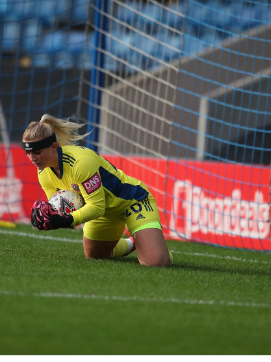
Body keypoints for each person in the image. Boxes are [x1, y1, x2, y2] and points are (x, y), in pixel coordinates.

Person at [23, 114, 172, 267]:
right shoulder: (43, 172)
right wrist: (50, 216)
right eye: (28, 153)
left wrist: (65, 220)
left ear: (54, 146)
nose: (32, 158)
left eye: (37, 152)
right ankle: (134, 243)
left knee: (156, 262)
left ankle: (154, 247)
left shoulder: (80, 163)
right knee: (96, 256)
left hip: (131, 201)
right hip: (102, 211)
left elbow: (96, 207)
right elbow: (64, 209)